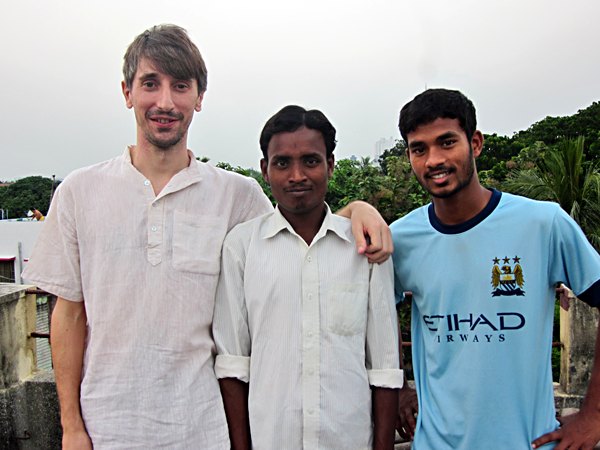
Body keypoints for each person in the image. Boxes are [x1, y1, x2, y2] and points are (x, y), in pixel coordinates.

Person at [22, 25, 392, 449]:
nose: (165, 102)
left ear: (199, 97)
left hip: (205, 429)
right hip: (107, 428)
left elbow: (299, 238)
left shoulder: (237, 196)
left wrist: (356, 210)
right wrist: (71, 425)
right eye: (150, 83)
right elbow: (68, 315)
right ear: (127, 92)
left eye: (181, 86)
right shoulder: (79, 192)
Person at [391, 88, 600, 449]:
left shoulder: (542, 223)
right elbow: (375, 315)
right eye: (419, 149)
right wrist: (399, 388)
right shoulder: (400, 238)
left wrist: (593, 416)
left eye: (447, 142)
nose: (434, 160)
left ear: (475, 143)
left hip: (527, 441)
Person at [212, 105, 403, 450]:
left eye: (311, 161)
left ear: (330, 165)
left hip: (348, 440)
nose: (297, 175)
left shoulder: (364, 247)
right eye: (282, 163)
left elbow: (385, 366)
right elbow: (233, 364)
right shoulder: (241, 248)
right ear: (265, 170)